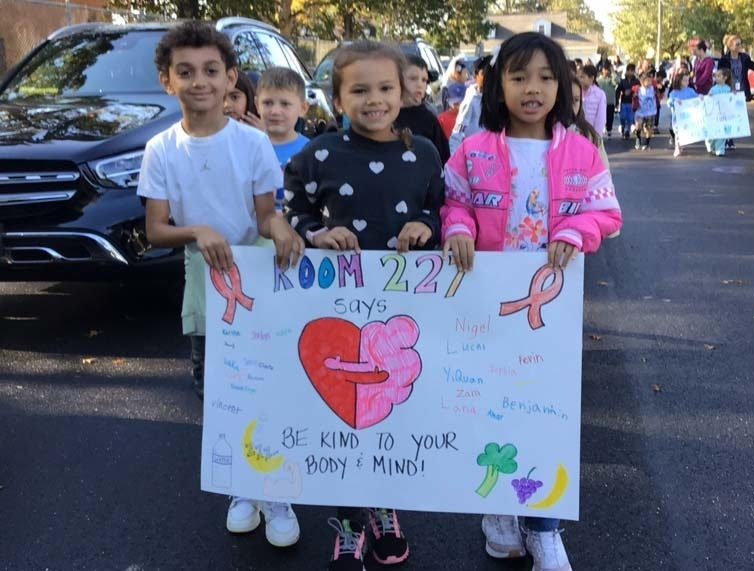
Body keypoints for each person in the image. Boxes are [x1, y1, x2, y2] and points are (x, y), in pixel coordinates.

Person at [441, 32, 622, 571]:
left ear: (562, 85)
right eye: (518, 77)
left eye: (545, 77)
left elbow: (606, 213)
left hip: (548, 314)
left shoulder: (582, 152)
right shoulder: (473, 151)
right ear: (498, 85)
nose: (532, 88)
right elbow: (453, 203)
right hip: (486, 311)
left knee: (544, 416)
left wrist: (577, 230)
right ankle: (499, 511)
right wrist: (457, 228)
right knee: (490, 409)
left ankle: (544, 526)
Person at [137, 19, 305, 551]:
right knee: (220, 391)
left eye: (211, 70)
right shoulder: (160, 149)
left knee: (269, 385)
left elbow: (265, 216)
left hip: (257, 281)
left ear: (231, 77)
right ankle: (242, 487)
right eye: (185, 72)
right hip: (205, 283)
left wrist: (282, 229)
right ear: (167, 81)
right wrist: (196, 230)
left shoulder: (252, 143)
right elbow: (156, 228)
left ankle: (277, 491)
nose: (199, 82)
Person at [283, 41, 444, 571]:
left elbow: (441, 209)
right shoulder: (318, 154)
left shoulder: (424, 152)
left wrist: (427, 226)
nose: (374, 99)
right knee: (347, 411)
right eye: (359, 90)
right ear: (337, 99)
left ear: (404, 93)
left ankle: (384, 507)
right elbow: (294, 208)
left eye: (385, 88)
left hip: (404, 310)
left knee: (392, 409)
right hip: (339, 307)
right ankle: (349, 520)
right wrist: (316, 233)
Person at [255, 67, 310, 209]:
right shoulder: (249, 147)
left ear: (303, 108)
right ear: (257, 105)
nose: (275, 111)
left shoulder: (309, 151)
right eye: (267, 103)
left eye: (285, 104)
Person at [396, 54, 451, 163]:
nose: (420, 85)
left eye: (424, 80)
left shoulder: (428, 119)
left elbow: (444, 159)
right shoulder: (387, 116)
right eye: (413, 78)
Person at [449, 55, 491, 152]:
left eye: (492, 73)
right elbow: (457, 133)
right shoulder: (471, 100)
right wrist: (453, 157)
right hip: (477, 154)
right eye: (484, 73)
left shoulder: (498, 98)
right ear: (475, 75)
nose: (489, 77)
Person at [570, 73, 609, 169]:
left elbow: (604, 174)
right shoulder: (550, 134)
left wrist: (597, 133)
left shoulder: (590, 135)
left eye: (576, 100)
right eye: (565, 100)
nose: (570, 106)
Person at [667, 71, 698, 156]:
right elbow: (669, 102)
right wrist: (674, 100)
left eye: (688, 80)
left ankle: (681, 144)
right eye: (685, 80)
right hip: (677, 118)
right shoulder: (674, 92)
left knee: (685, 132)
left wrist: (701, 97)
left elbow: (697, 98)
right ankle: (677, 147)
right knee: (677, 132)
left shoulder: (690, 91)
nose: (687, 82)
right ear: (679, 81)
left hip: (688, 117)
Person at [706, 68, 734, 157]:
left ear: (725, 78)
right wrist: (709, 97)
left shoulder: (728, 89)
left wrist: (734, 96)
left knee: (722, 132)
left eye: (718, 76)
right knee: (713, 131)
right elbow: (708, 100)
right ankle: (710, 144)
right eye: (715, 76)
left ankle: (720, 149)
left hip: (724, 114)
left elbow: (731, 99)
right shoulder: (713, 89)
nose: (716, 78)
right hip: (715, 114)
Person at [577, 64, 606, 140]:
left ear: (591, 78)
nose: (579, 79)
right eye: (578, 77)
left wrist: (596, 135)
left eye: (582, 77)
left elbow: (601, 118)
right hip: (577, 132)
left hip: (592, 133)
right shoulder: (576, 92)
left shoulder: (600, 94)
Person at [632, 72, 657, 150]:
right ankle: (638, 138)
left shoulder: (653, 88)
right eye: (647, 81)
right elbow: (632, 93)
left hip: (651, 112)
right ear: (642, 81)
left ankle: (647, 143)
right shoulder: (638, 89)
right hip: (640, 111)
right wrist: (634, 96)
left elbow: (660, 90)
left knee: (649, 128)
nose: (649, 82)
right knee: (638, 125)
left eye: (650, 80)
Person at [615, 63, 638, 139]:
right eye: (629, 70)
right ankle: (622, 125)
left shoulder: (636, 81)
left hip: (632, 102)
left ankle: (627, 130)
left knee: (630, 118)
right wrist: (617, 101)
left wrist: (632, 92)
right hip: (624, 101)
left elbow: (639, 89)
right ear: (626, 71)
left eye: (632, 70)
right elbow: (618, 91)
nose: (630, 72)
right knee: (622, 116)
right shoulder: (623, 81)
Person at [596, 64, 617, 137]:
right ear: (602, 70)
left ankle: (609, 130)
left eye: (607, 69)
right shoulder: (598, 80)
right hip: (600, 102)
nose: (606, 71)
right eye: (605, 69)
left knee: (610, 116)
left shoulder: (611, 79)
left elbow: (618, 81)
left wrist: (613, 72)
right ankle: (602, 127)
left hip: (610, 101)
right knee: (601, 116)